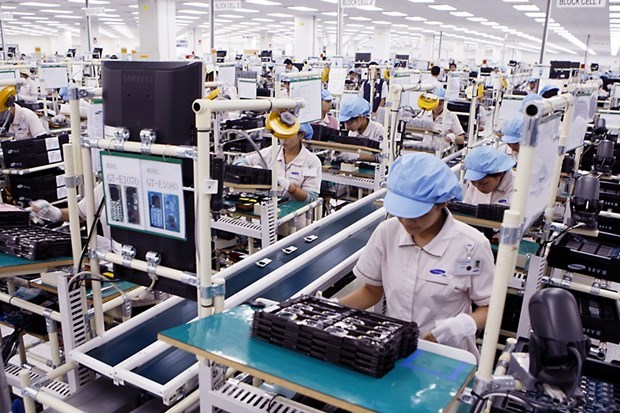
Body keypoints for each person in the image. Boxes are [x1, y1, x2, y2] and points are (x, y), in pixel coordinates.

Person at [338, 153, 494, 356]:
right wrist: (331, 308)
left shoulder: (471, 246)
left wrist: (463, 325)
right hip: (395, 348)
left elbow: (490, 306)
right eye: (401, 211)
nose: (407, 220)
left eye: (418, 212)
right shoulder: (387, 232)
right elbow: (372, 291)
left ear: (443, 203)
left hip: (447, 354)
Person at [235, 123, 321, 204]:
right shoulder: (272, 151)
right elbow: (239, 162)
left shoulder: (312, 162)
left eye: (287, 134)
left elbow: (311, 198)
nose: (283, 139)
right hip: (267, 209)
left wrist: (291, 188)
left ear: (301, 135)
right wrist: (251, 171)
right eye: (281, 134)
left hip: (294, 215)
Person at [30, 183, 114, 252]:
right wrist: (54, 212)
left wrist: (115, 247)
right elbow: (79, 214)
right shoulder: (104, 188)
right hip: (112, 261)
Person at [338, 97, 385, 162]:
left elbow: (382, 156)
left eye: (349, 123)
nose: (346, 127)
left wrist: (356, 156)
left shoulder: (378, 129)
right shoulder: (352, 132)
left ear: (360, 118)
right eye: (345, 123)